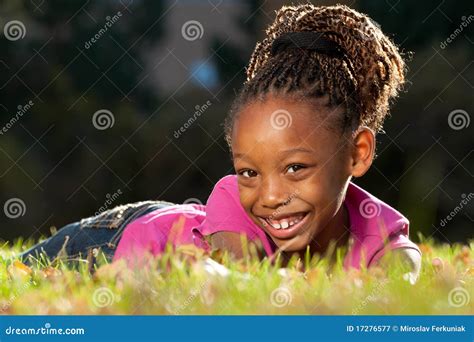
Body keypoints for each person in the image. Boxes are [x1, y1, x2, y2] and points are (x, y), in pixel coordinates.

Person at [20, 4, 421, 278]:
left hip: (174, 223)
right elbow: (237, 279)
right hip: (118, 237)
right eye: (249, 171)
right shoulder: (235, 201)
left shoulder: (377, 229)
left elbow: (401, 276)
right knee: (26, 266)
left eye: (295, 167)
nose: (270, 195)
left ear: (357, 152)